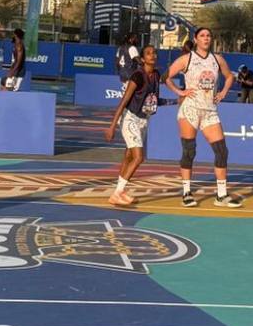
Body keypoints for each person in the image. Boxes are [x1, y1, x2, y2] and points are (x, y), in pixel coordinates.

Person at [164, 27, 242, 208]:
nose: (206, 38)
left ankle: (221, 195)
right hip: (190, 110)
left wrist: (223, 92)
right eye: (202, 36)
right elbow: (165, 76)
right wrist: (180, 91)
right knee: (189, 151)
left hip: (209, 111)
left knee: (222, 151)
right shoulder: (187, 59)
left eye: (208, 36)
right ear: (196, 39)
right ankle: (186, 193)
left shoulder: (217, 59)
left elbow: (229, 76)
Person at [103, 45, 163, 207]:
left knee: (129, 156)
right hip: (130, 118)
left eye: (154, 53)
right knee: (138, 157)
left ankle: (119, 191)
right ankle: (117, 194)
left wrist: (176, 101)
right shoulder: (137, 76)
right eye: (148, 53)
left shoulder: (156, 75)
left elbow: (154, 101)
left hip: (144, 120)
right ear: (142, 59)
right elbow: (124, 101)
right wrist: (112, 126)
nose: (152, 55)